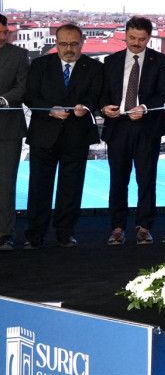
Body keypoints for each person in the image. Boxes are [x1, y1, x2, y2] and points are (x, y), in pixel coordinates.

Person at [22, 23, 103, 248]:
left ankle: (65, 233)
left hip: (77, 135)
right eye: (64, 44)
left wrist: (85, 106)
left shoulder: (94, 67)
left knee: (71, 187)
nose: (69, 49)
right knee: (39, 187)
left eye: (74, 44)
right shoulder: (40, 65)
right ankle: (35, 235)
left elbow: (96, 96)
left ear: (82, 43)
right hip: (44, 135)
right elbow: (30, 96)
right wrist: (50, 110)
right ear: (56, 44)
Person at [100, 16, 165, 245]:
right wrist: (104, 108)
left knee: (146, 179)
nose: (136, 43)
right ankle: (117, 228)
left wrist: (146, 107)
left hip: (147, 128)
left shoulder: (159, 61)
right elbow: (102, 93)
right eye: (132, 38)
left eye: (141, 39)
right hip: (118, 127)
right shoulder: (111, 61)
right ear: (125, 35)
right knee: (118, 180)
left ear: (149, 38)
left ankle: (144, 227)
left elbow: (164, 92)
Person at [0, 14, 30, 251]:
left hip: (9, 129)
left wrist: (3, 100)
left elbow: (23, 88)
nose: (3, 36)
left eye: (5, 32)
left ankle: (4, 234)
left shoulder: (19, 55)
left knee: (6, 183)